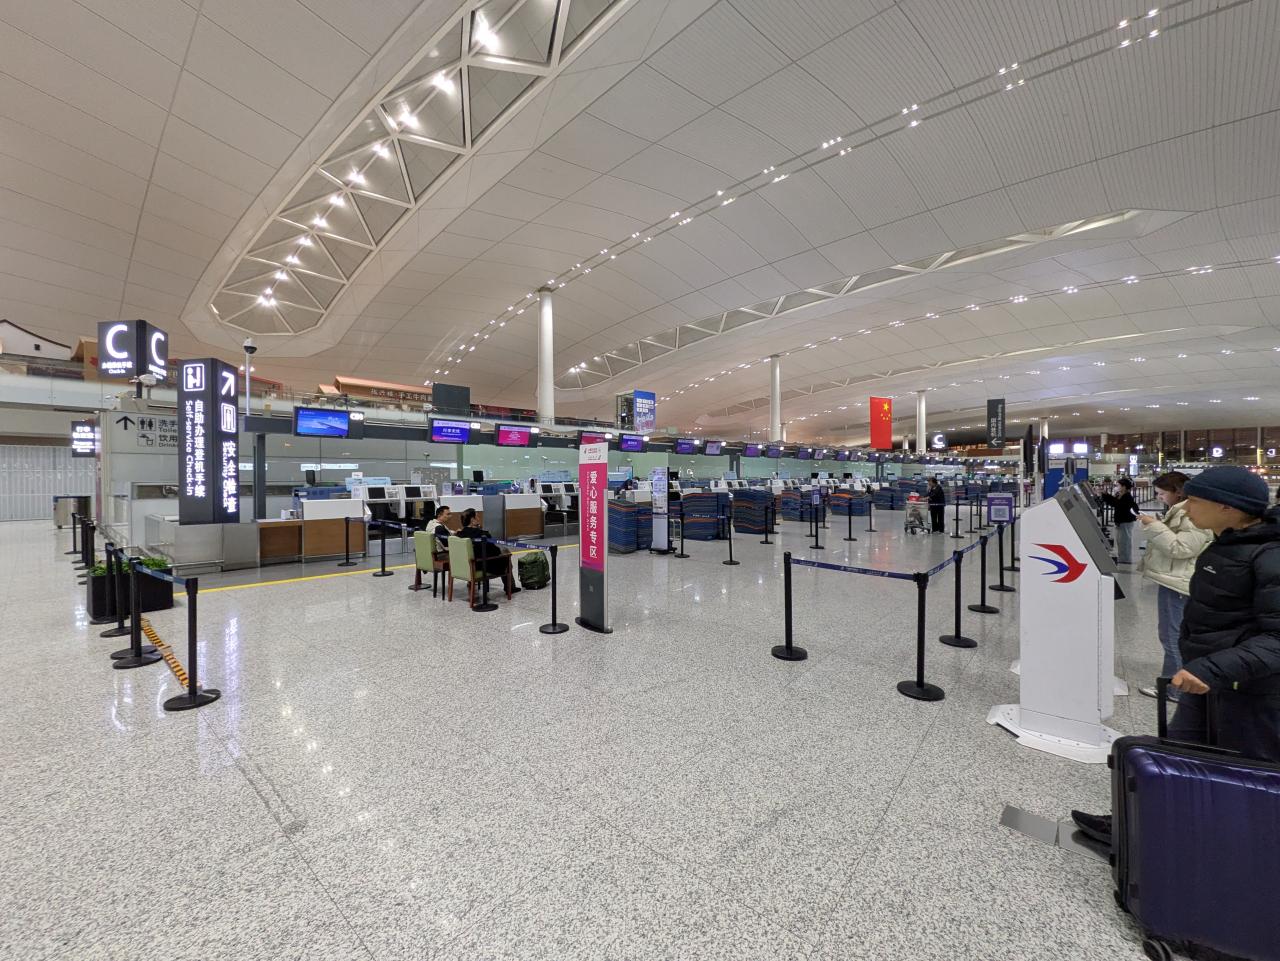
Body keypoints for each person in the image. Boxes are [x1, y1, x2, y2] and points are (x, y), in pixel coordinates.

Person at [1071, 465, 1280, 846]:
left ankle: (1242, 856)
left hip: (1247, 689)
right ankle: (1135, 831)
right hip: (1206, 678)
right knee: (1175, 756)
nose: (1186, 506)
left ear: (1228, 507)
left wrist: (1214, 668)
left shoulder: (1268, 555)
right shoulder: (1228, 542)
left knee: (1248, 777)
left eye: (1195, 500)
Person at [1134, 472, 1213, 699]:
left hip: (1178, 583)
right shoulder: (1183, 510)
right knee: (1174, 634)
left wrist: (1154, 526)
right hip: (1178, 579)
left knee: (1172, 636)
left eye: (1161, 493)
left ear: (1177, 492)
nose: (1159, 497)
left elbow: (1182, 548)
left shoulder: (1189, 514)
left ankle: (1175, 690)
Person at [455, 507, 519, 594]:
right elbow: (494, 551)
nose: (479, 519)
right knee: (506, 556)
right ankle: (510, 587)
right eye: (477, 517)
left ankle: (470, 582)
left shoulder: (459, 534)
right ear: (472, 520)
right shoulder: (482, 534)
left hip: (465, 565)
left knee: (503, 552)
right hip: (482, 564)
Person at [1102, 476, 1139, 563]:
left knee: (1124, 541)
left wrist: (1106, 496)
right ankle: (1122, 557)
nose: (1117, 487)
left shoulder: (1127, 497)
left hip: (1125, 521)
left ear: (1124, 487)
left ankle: (1125, 559)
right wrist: (1106, 495)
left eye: (1118, 485)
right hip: (1121, 521)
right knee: (1120, 540)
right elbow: (1115, 502)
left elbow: (1117, 504)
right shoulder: (1121, 495)